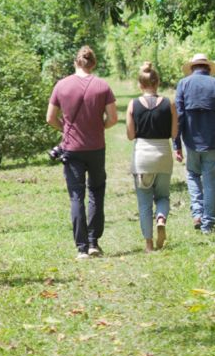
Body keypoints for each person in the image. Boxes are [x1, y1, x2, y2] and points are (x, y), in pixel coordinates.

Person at [47, 45, 118, 259]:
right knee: (96, 192)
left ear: (75, 63)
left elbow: (50, 118)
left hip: (71, 148)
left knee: (76, 196)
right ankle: (93, 242)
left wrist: (66, 129)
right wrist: (98, 127)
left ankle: (81, 248)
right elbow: (113, 118)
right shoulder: (103, 86)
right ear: (93, 64)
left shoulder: (61, 85)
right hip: (96, 148)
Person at [174, 53, 215, 234]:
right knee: (211, 182)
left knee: (192, 174)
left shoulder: (183, 84)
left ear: (192, 68)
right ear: (209, 68)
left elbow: (178, 117)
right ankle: (208, 224)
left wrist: (177, 144)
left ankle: (197, 213)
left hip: (191, 142)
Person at [125, 63, 178, 253]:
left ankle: (148, 244)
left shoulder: (133, 104)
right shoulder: (169, 103)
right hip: (163, 155)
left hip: (142, 157)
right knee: (163, 196)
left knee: (144, 202)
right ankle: (161, 218)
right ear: (158, 83)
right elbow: (174, 133)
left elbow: (130, 135)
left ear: (140, 84)